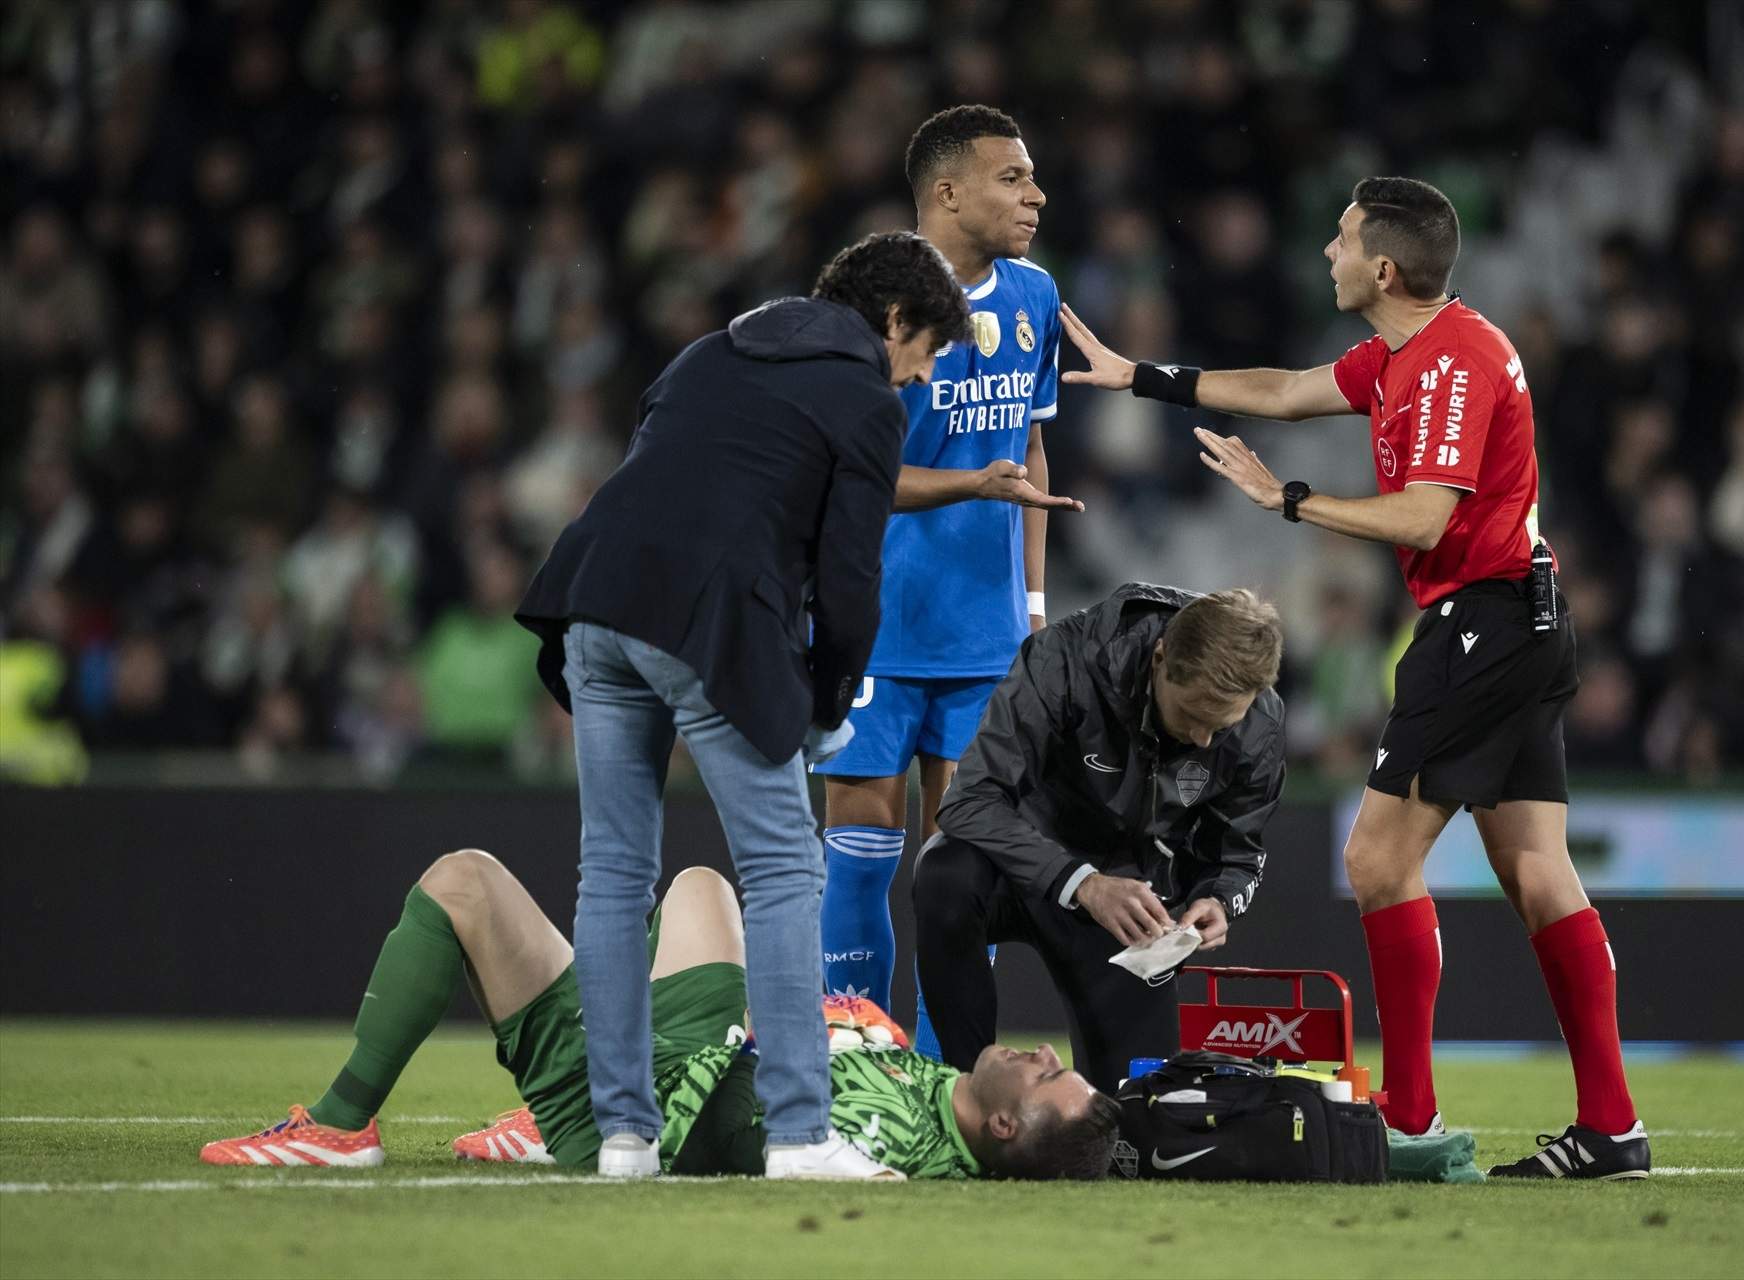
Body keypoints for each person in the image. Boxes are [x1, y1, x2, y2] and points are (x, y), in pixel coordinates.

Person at [1058, 177, 1650, 1179]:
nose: (1325, 253)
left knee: (1378, 860)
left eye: (1338, 239)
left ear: (1383, 267)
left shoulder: (1455, 357)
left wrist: (1290, 500)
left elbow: (1423, 517)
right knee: (1537, 869)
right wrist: (1138, 376)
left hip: (1484, 622)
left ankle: (1410, 1116)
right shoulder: (1401, 353)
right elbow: (1286, 389)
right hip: (1516, 620)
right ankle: (1612, 1125)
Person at [513, 232, 972, 1180]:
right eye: (924, 354)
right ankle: (801, 1135)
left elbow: (668, 478)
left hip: (594, 601)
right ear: (892, 321)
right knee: (781, 871)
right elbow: (851, 578)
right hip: (709, 624)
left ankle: (625, 1139)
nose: (921, 380)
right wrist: (831, 699)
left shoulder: (706, 352)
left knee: (611, 875)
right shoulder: (866, 401)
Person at [197, 849, 1119, 1180]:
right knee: (700, 887)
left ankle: (340, 1126)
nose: (1041, 1050)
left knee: (463, 883)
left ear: (1005, 1125)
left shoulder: (892, 1148)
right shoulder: (945, 1096)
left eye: (1047, 1073)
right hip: (707, 1038)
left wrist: (764, 1030)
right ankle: (527, 1118)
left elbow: (730, 1129)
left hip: (646, 1084)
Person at [816, 106, 1082, 1057]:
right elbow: (845, 471)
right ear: (946, 192)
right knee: (860, 850)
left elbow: (1034, 448)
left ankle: (942, 1073)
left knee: (961, 863)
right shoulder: (866, 303)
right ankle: (849, 1055)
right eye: (1012, 177)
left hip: (986, 632)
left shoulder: (1036, 297)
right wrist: (971, 482)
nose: (1035, 195)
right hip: (874, 621)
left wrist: (1036, 608)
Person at [914, 583, 1286, 1093]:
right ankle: (966, 1091)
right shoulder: (1065, 658)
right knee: (945, 870)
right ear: (1160, 659)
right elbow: (968, 800)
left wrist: (1218, 899)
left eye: (1222, 725)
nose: (1204, 740)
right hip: (1024, 873)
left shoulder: (1260, 723)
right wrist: (1082, 882)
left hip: (1131, 918)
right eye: (1194, 716)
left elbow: (1238, 854)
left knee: (1135, 1126)